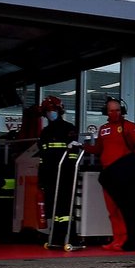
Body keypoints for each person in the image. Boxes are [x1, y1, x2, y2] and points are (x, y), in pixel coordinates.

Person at [90, 98, 135, 251]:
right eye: (111, 110)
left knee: (125, 208)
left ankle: (126, 239)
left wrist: (129, 164)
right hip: (108, 175)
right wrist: (82, 147)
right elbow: (98, 149)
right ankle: (117, 238)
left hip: (124, 176)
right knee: (112, 209)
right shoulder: (103, 129)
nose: (115, 113)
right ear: (106, 112)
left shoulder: (130, 126)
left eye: (117, 110)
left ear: (122, 110)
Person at [37, 96, 78, 238]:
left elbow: (73, 153)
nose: (50, 113)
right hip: (49, 174)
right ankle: (55, 234)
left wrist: (70, 172)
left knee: (65, 204)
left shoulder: (68, 128)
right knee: (51, 206)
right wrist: (41, 178)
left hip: (64, 173)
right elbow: (42, 156)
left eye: (53, 110)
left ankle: (69, 235)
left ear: (59, 110)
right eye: (48, 110)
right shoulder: (44, 132)